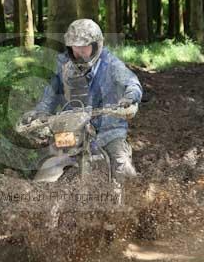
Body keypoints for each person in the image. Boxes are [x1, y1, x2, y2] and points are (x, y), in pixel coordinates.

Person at [22, 19, 143, 180]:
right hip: (71, 127)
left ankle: (132, 200)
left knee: (121, 166)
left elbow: (132, 82)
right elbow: (50, 94)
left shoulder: (111, 64)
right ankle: (41, 198)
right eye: (75, 46)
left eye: (84, 46)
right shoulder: (63, 65)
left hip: (107, 128)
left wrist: (129, 98)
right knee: (48, 162)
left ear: (96, 45)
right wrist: (40, 113)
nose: (79, 51)